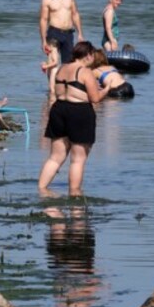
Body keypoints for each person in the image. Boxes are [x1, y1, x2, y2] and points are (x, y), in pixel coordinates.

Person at [38, 41, 111, 195]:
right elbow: (95, 98)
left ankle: (42, 190)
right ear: (89, 55)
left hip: (58, 109)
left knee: (55, 157)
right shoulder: (85, 72)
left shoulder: (61, 69)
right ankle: (75, 196)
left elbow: (55, 91)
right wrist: (107, 90)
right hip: (79, 112)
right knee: (78, 160)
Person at [40, 0, 85, 64]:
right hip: (54, 32)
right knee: (53, 62)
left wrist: (80, 33)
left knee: (68, 64)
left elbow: (75, 14)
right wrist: (43, 41)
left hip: (68, 33)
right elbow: (43, 20)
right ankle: (52, 78)